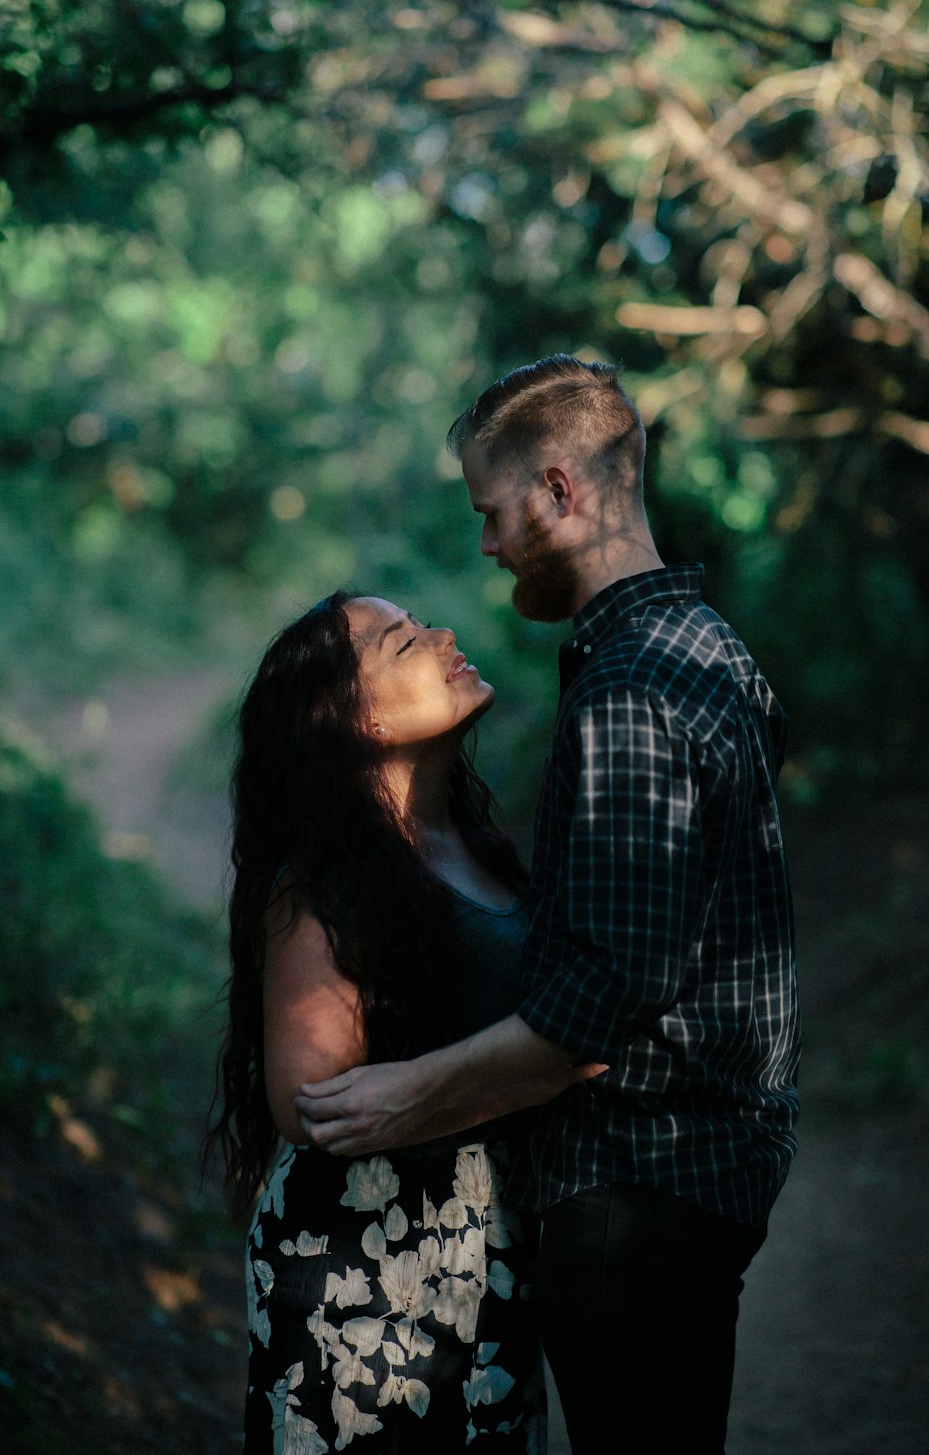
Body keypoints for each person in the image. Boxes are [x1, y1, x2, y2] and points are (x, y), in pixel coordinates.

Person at [294, 356, 801, 1454]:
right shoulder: (711, 650)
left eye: (492, 513)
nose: (485, 545)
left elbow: (600, 997)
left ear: (559, 492)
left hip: (639, 1187)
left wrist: (406, 1097)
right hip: (705, 1172)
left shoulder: (625, 689)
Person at [205, 590, 603, 1453]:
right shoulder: (322, 883)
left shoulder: (472, 841)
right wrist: (543, 1072)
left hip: (485, 1257)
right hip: (360, 1266)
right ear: (354, 721)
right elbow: (314, 1101)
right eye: (404, 642)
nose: (443, 636)